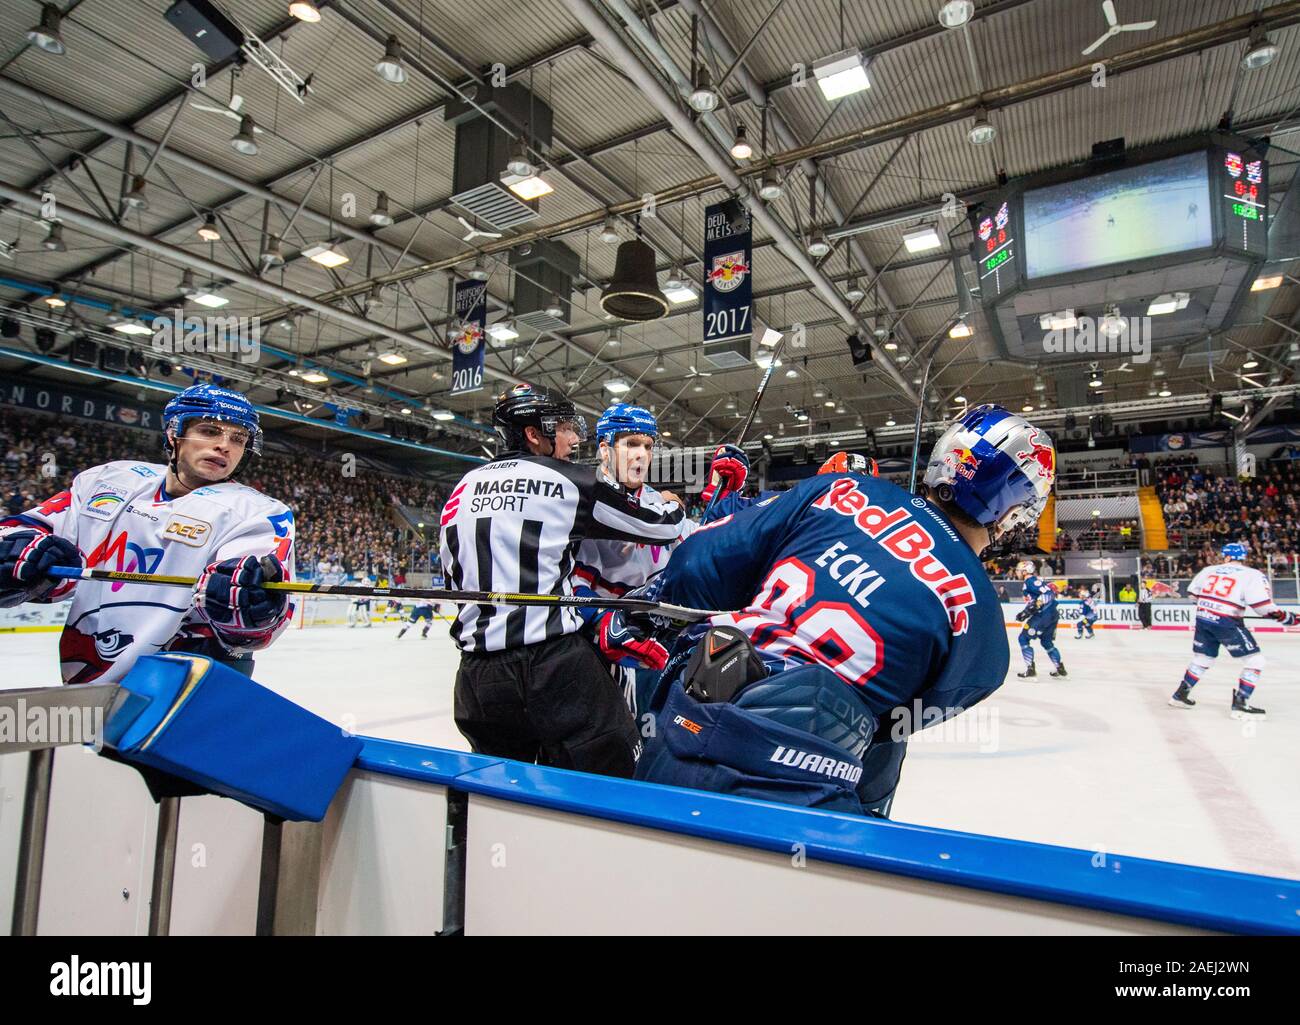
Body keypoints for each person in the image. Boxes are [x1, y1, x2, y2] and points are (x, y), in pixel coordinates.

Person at [633, 404, 1055, 816]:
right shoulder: (983, 629)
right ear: (1014, 512)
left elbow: (695, 563)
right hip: (802, 788)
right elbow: (895, 727)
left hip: (687, 728)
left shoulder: (841, 489)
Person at [438, 385, 685, 778]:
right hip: (551, 665)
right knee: (612, 773)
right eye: (564, 428)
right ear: (534, 434)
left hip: (476, 677)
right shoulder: (566, 479)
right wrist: (674, 503)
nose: (573, 439)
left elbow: (453, 572)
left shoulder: (463, 486)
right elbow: (658, 528)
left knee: (497, 791)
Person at [0, 383, 295, 683]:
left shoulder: (259, 512)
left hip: (190, 683)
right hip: (86, 676)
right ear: (173, 433)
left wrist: (251, 609)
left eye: (239, 438)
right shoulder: (109, 480)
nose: (225, 446)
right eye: (209, 431)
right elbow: (23, 533)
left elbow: (255, 624)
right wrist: (21, 557)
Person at [573, 403, 693, 720]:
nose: (640, 454)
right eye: (630, 444)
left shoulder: (660, 503)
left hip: (660, 651)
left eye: (647, 446)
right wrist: (602, 624)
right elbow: (570, 588)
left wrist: (723, 493)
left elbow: (702, 547)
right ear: (604, 449)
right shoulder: (582, 500)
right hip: (603, 653)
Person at [1170, 542, 1295, 717]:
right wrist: (1289, 618)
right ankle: (1240, 704)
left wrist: (1210, 607)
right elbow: (1263, 607)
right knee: (1255, 661)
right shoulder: (1252, 574)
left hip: (1204, 619)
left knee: (1203, 658)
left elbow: (1192, 594)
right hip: (1226, 622)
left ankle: (1179, 696)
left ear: (1226, 557)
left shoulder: (1208, 570)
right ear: (1243, 558)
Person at [1015, 560, 1066, 678]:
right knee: (1046, 642)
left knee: (1023, 638)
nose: (1016, 572)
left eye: (1018, 570)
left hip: (1044, 615)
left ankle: (1030, 669)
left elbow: (1048, 593)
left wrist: (1035, 605)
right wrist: (1025, 612)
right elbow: (1035, 601)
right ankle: (1059, 667)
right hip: (1051, 614)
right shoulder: (1031, 582)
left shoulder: (1030, 581)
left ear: (1025, 571)